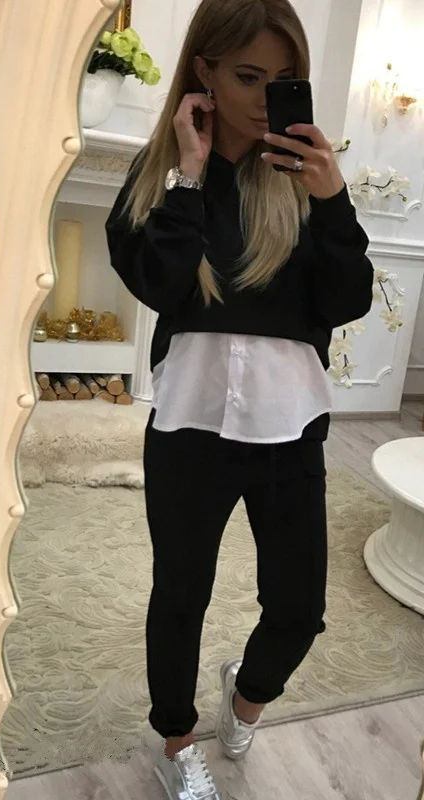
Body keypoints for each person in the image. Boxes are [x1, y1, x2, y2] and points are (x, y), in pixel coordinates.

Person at [105, 0, 374, 798]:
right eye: (248, 77)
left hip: (290, 424)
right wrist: (190, 176)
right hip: (190, 424)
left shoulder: (303, 182)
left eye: (284, 81)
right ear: (205, 72)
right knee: (179, 595)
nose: (265, 99)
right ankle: (174, 742)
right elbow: (161, 287)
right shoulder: (160, 179)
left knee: (298, 609)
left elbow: (347, 299)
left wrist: (332, 199)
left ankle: (246, 697)